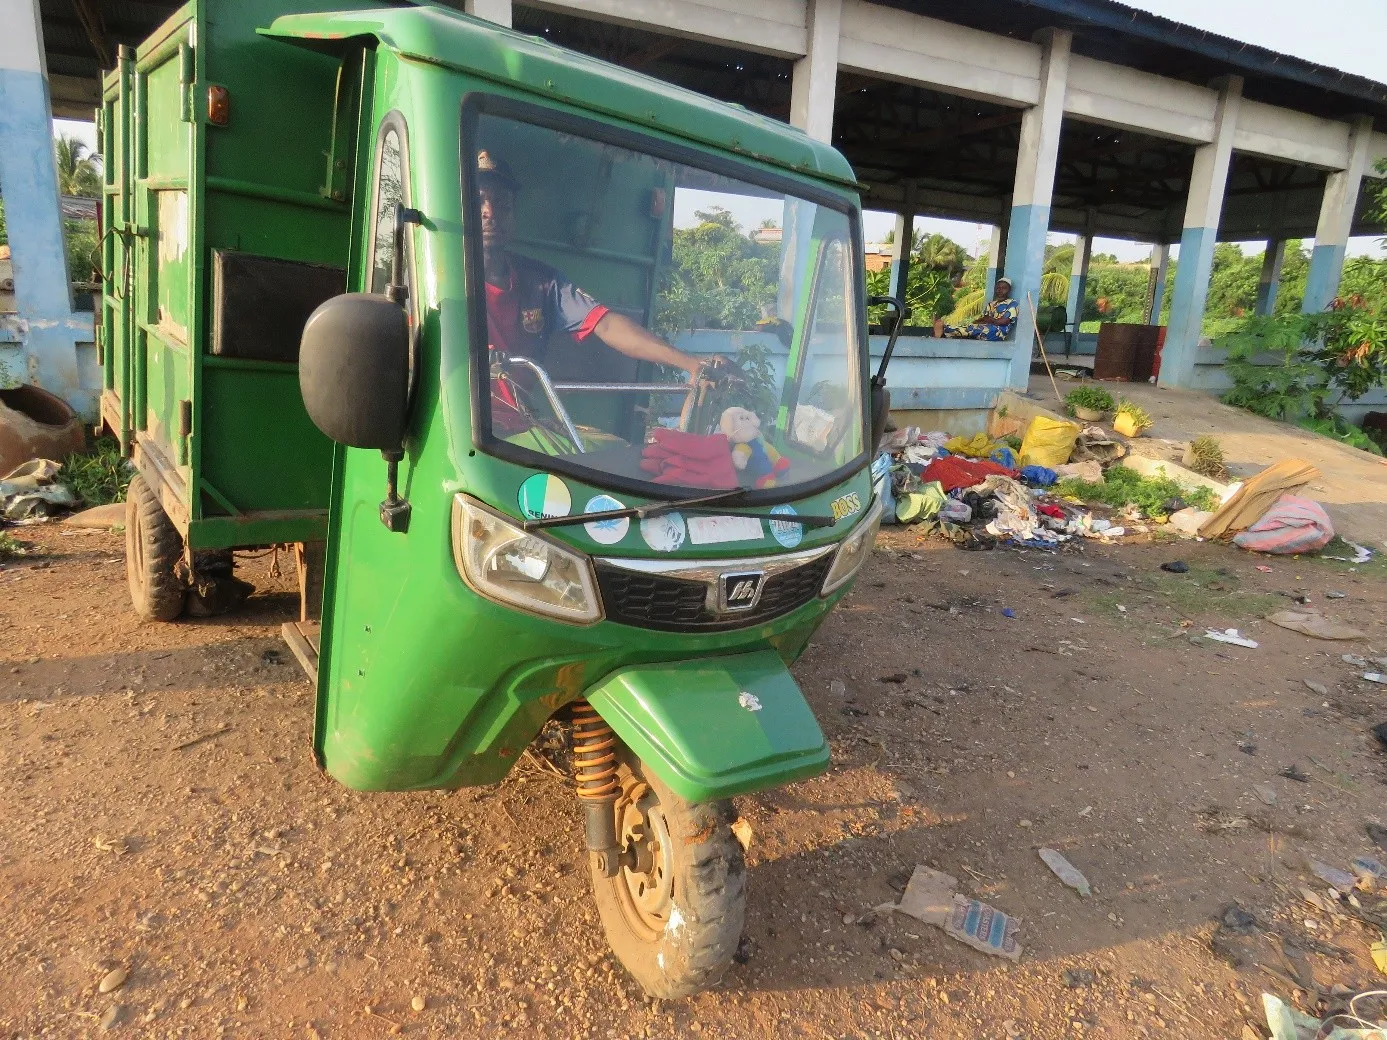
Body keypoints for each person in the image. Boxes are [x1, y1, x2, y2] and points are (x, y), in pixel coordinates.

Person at [475, 150, 704, 379]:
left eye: (502, 204)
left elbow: (606, 324)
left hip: (519, 412)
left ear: (513, 214)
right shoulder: (442, 279)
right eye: (478, 201)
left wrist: (691, 364)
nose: (489, 212)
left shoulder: (542, 281)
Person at [933, 277, 1018, 341]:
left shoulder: (1012, 303)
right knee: (970, 327)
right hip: (985, 328)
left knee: (974, 329)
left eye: (1004, 288)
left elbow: (1005, 321)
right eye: (998, 288)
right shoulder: (991, 304)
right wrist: (978, 321)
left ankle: (944, 332)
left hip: (997, 332)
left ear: (1009, 290)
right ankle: (943, 332)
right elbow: (983, 319)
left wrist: (990, 319)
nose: (1000, 290)